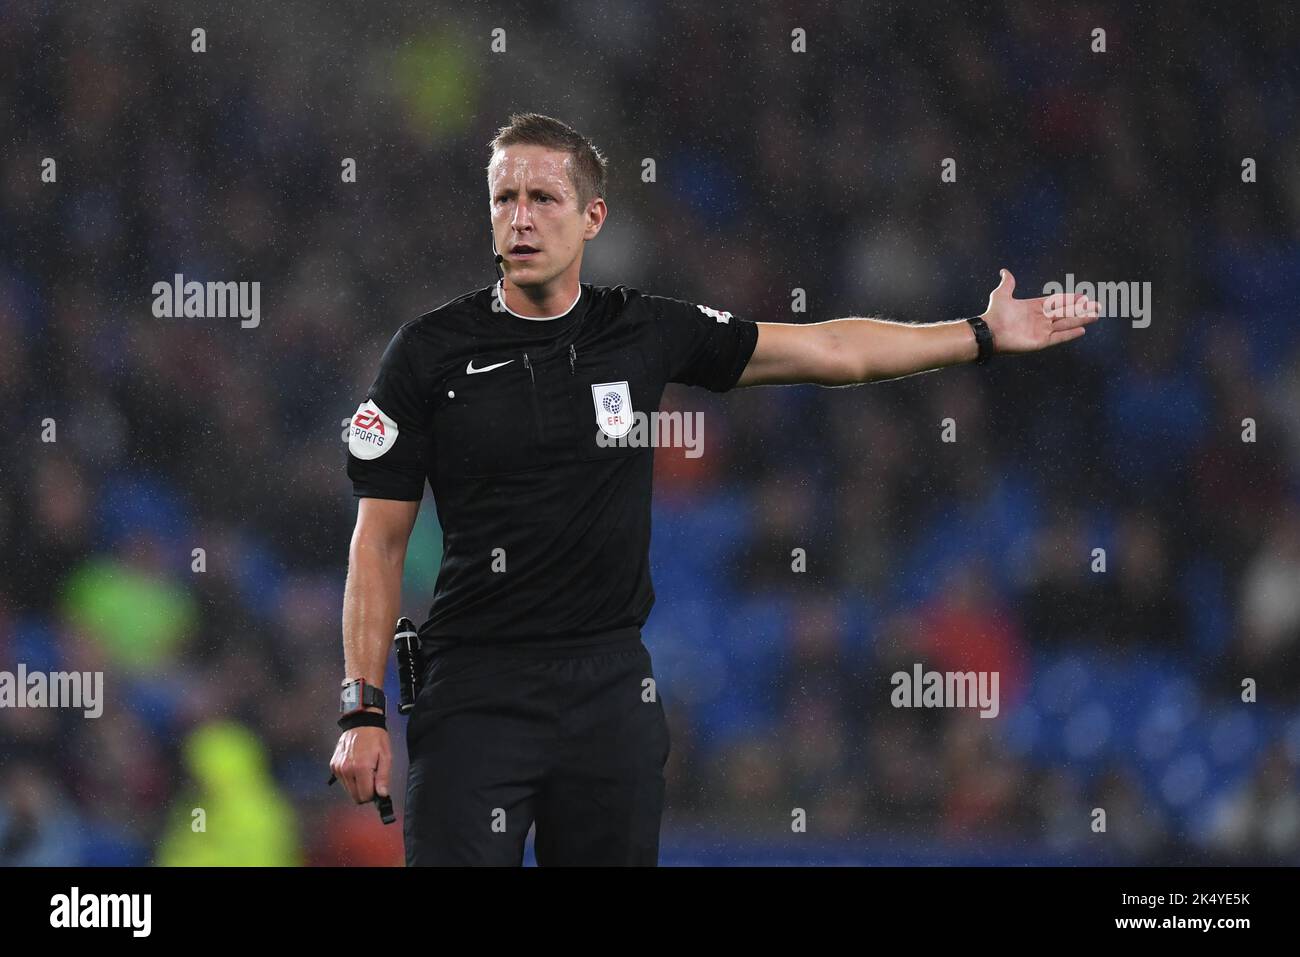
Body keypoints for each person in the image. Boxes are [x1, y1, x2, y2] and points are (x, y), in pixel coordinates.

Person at [329, 112, 1099, 866]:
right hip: (472, 688)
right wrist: (363, 707)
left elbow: (829, 347)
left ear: (593, 215)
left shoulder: (643, 331)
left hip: (607, 689)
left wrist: (982, 333)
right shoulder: (428, 353)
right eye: (504, 199)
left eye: (543, 198)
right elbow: (380, 538)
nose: (520, 218)